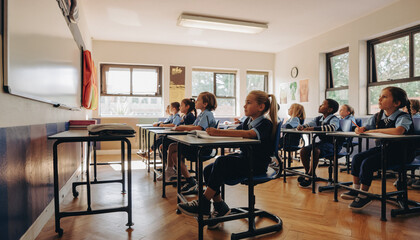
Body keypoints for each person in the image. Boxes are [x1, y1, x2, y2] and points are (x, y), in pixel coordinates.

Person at [177, 90, 277, 229]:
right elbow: (236, 132)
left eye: (248, 103)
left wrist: (218, 132)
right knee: (208, 169)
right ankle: (220, 206)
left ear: (261, 107)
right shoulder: (248, 120)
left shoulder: (266, 123)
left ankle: (203, 203)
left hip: (257, 165)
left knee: (221, 162)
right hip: (245, 159)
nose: (244, 106)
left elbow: (249, 134)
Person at [340, 87, 414, 210]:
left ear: (396, 103)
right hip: (383, 149)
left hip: (401, 153)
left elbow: (398, 131)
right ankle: (355, 189)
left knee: (368, 163)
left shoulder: (403, 116)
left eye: (384, 97)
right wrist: (359, 129)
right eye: (380, 96)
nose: (379, 99)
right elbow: (364, 128)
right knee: (357, 158)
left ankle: (364, 195)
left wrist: (374, 130)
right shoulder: (378, 116)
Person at [162, 92, 217, 194]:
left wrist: (182, 127)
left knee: (172, 147)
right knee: (174, 152)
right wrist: (181, 128)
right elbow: (193, 125)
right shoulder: (202, 114)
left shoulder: (207, 114)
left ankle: (170, 170)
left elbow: (199, 128)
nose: (195, 101)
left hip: (203, 147)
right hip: (197, 143)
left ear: (205, 104)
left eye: (198, 100)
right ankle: (189, 180)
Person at [296, 99, 341, 188]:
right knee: (303, 150)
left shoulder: (334, 119)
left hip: (333, 145)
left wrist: (314, 128)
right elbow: (309, 124)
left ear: (329, 110)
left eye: (323, 104)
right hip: (322, 143)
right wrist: (302, 126)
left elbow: (332, 128)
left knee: (315, 151)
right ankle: (309, 173)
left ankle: (310, 175)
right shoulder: (318, 119)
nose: (320, 106)